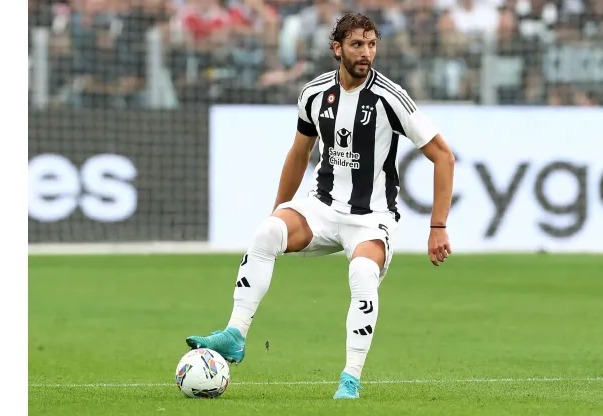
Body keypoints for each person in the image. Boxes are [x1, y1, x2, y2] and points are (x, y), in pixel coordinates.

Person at [186, 12, 455, 400]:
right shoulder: (314, 94)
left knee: (363, 272)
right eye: (357, 45)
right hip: (322, 208)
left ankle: (350, 379)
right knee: (266, 233)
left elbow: (443, 156)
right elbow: (300, 153)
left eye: (372, 44)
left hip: (371, 219)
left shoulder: (390, 98)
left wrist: (438, 226)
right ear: (337, 48)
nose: (366, 53)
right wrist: (279, 209)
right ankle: (235, 335)